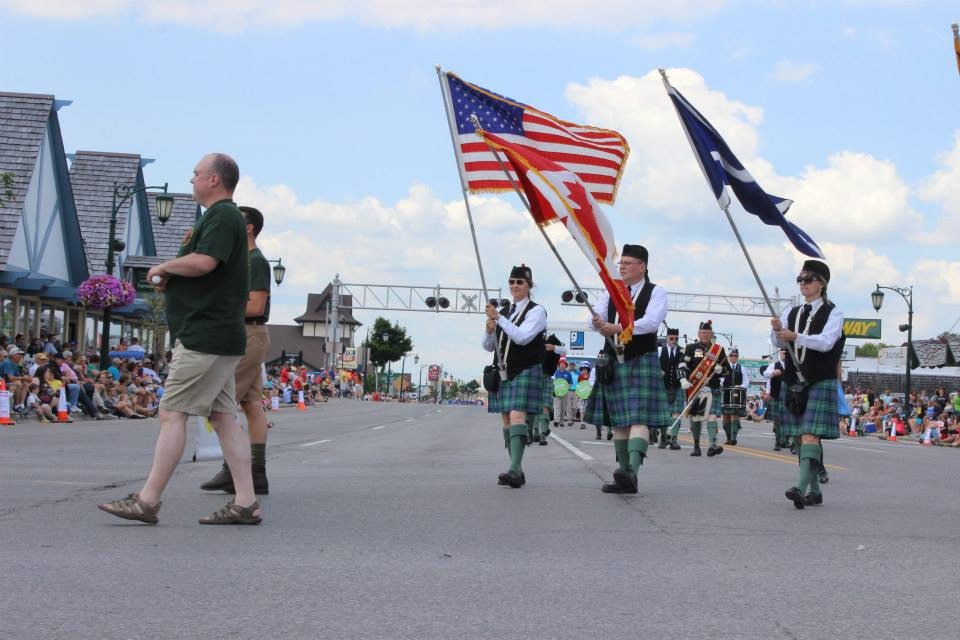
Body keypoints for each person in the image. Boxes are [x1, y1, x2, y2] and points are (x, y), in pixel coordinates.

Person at [98, 152, 261, 525]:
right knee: (223, 417)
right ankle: (246, 501)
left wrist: (164, 266)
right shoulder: (221, 218)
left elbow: (205, 263)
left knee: (172, 413)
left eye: (196, 173)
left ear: (214, 180)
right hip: (220, 334)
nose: (192, 179)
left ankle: (148, 499)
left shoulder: (221, 215)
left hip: (205, 333)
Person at [584, 244, 671, 494]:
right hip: (614, 361)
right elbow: (595, 319)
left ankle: (631, 471)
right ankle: (623, 475)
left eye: (627, 263)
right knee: (620, 422)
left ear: (642, 267)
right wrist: (596, 321)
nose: (621, 267)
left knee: (639, 418)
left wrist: (619, 328)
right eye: (620, 263)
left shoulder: (657, 292)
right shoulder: (611, 291)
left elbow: (651, 322)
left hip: (641, 357)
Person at [200, 205, 273, 496]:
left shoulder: (255, 261)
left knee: (222, 403)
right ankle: (257, 473)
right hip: (248, 333)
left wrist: (219, 308)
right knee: (252, 405)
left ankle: (235, 471)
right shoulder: (242, 260)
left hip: (248, 332)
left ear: (249, 228)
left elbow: (256, 305)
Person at [771, 259, 844, 510]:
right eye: (800, 279)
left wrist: (796, 336)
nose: (803, 283)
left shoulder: (833, 312)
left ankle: (799, 488)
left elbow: (826, 342)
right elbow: (780, 344)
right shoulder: (791, 312)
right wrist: (777, 331)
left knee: (811, 435)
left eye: (808, 279)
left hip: (819, 380)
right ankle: (815, 491)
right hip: (793, 381)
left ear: (821, 284)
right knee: (800, 438)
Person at [482, 265, 547, 488]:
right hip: (503, 371)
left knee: (517, 416)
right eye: (511, 282)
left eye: (519, 282)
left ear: (529, 285)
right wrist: (489, 329)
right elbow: (488, 346)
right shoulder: (507, 311)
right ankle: (515, 468)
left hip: (526, 369)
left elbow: (522, 337)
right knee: (507, 419)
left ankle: (514, 469)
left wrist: (499, 318)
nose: (515, 286)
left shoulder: (536, 311)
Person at [679, 320, 731, 457]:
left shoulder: (718, 350)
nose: (705, 335)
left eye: (708, 333)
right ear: (698, 333)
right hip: (695, 388)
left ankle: (712, 445)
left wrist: (721, 370)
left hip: (712, 387)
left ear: (711, 334)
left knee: (712, 416)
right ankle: (696, 446)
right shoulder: (690, 348)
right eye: (703, 333)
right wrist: (683, 379)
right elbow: (682, 365)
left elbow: (727, 370)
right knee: (696, 418)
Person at [658, 328, 683, 450]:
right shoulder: (660, 351)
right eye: (671, 338)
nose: (674, 341)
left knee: (676, 414)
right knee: (663, 414)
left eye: (676, 339)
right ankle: (663, 439)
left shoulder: (682, 351)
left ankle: (674, 440)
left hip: (677, 387)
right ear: (667, 338)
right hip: (663, 387)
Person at [721, 348, 750, 445]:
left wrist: (740, 387)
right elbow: (720, 379)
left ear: (737, 357)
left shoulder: (742, 368)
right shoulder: (724, 368)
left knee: (734, 415)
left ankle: (733, 438)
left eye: (735, 356)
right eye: (731, 355)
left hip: (737, 395)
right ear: (728, 357)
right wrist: (722, 385)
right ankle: (728, 438)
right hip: (725, 393)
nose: (733, 357)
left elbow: (746, 381)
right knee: (726, 416)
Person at [763, 349, 788, 450]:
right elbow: (765, 374)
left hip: (789, 397)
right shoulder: (774, 365)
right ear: (779, 353)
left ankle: (785, 441)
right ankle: (778, 442)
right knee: (777, 420)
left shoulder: (793, 366)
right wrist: (773, 372)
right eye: (783, 353)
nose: (784, 355)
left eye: (786, 353)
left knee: (787, 420)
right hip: (776, 396)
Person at [552, 358, 575, 427]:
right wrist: (553, 390)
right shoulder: (556, 372)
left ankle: (561, 421)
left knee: (563, 407)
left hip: (565, 393)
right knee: (557, 406)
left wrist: (567, 387)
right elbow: (553, 382)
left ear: (566, 365)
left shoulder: (568, 374)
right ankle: (556, 420)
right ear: (559, 365)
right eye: (561, 364)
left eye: (563, 364)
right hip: (556, 392)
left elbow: (571, 383)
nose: (562, 365)